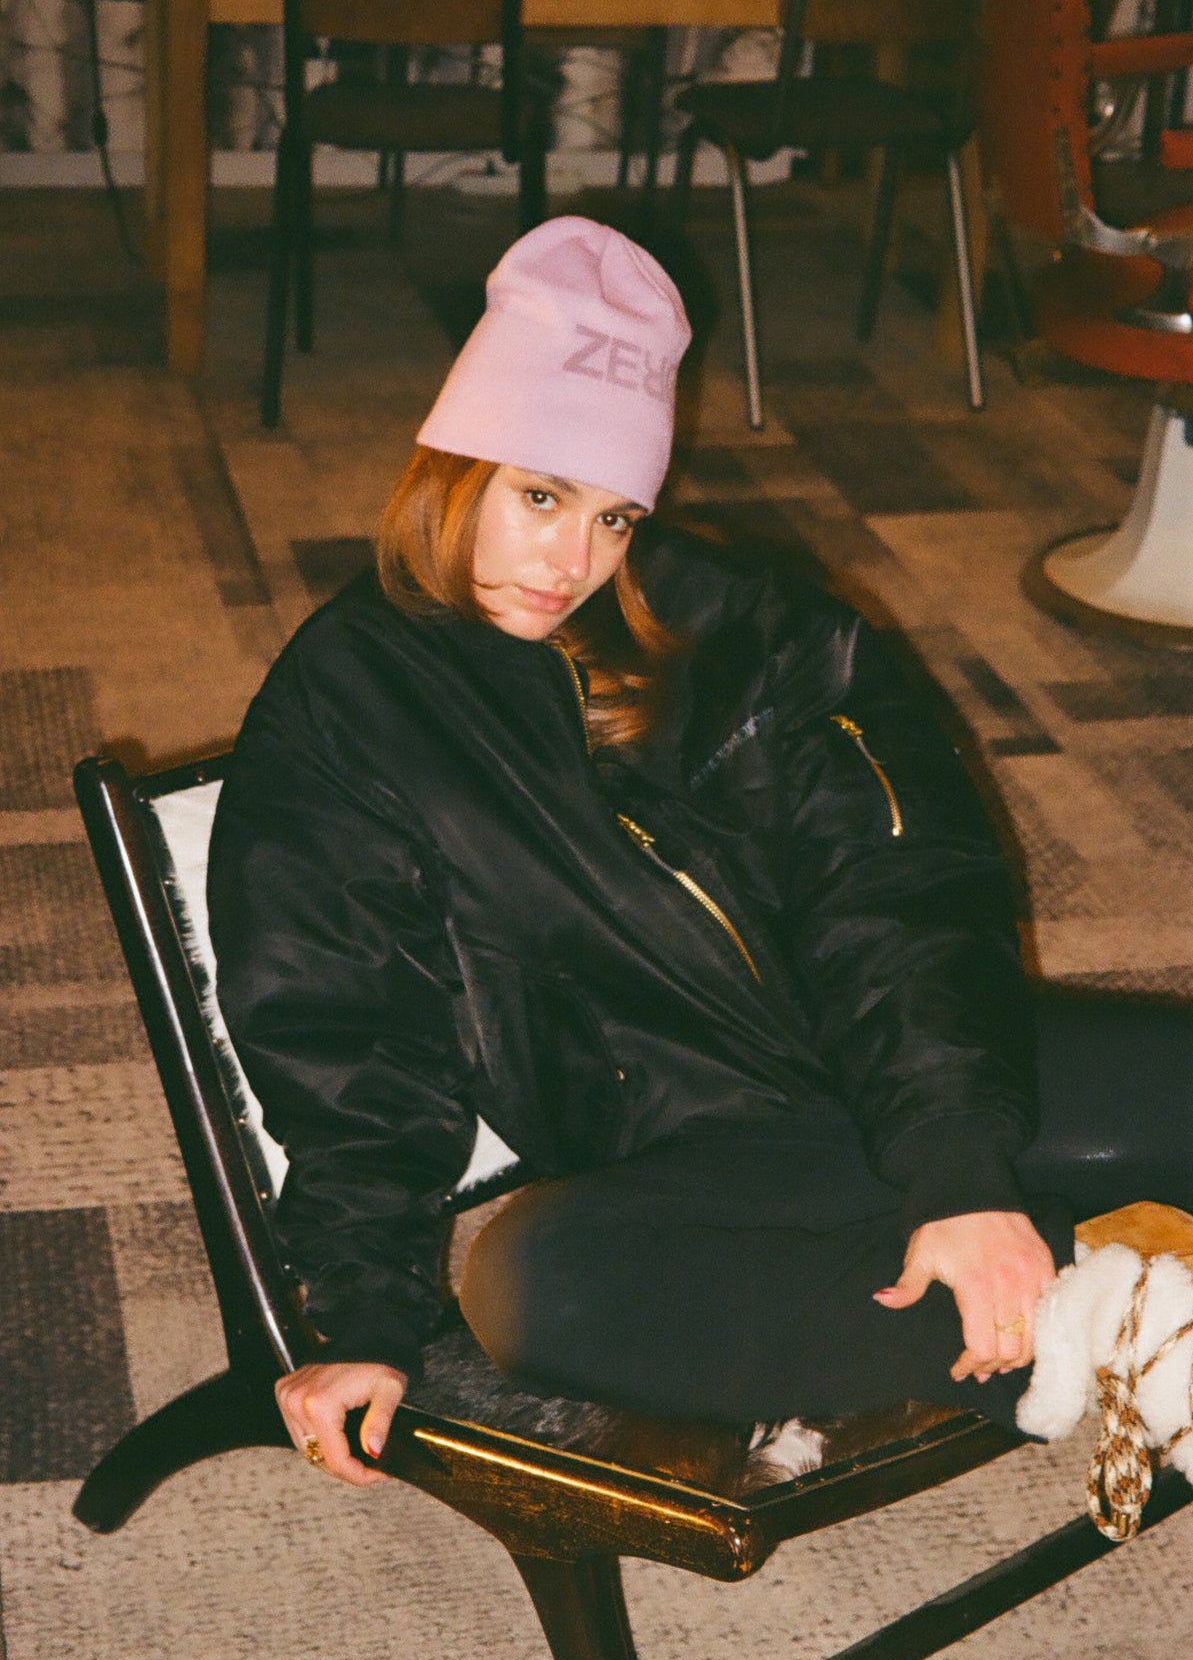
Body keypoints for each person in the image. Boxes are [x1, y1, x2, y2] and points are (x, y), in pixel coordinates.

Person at [208, 216, 1193, 1491]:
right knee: (543, 1289)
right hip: (693, 1154)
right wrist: (366, 1315)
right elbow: (343, 1031)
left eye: (614, 516)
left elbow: (897, 898)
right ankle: (1107, 1328)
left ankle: (1039, 1276)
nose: (572, 561)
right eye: (539, 496)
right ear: (451, 467)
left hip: (892, 1062)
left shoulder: (745, 628)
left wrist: (954, 1166)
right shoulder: (347, 704)